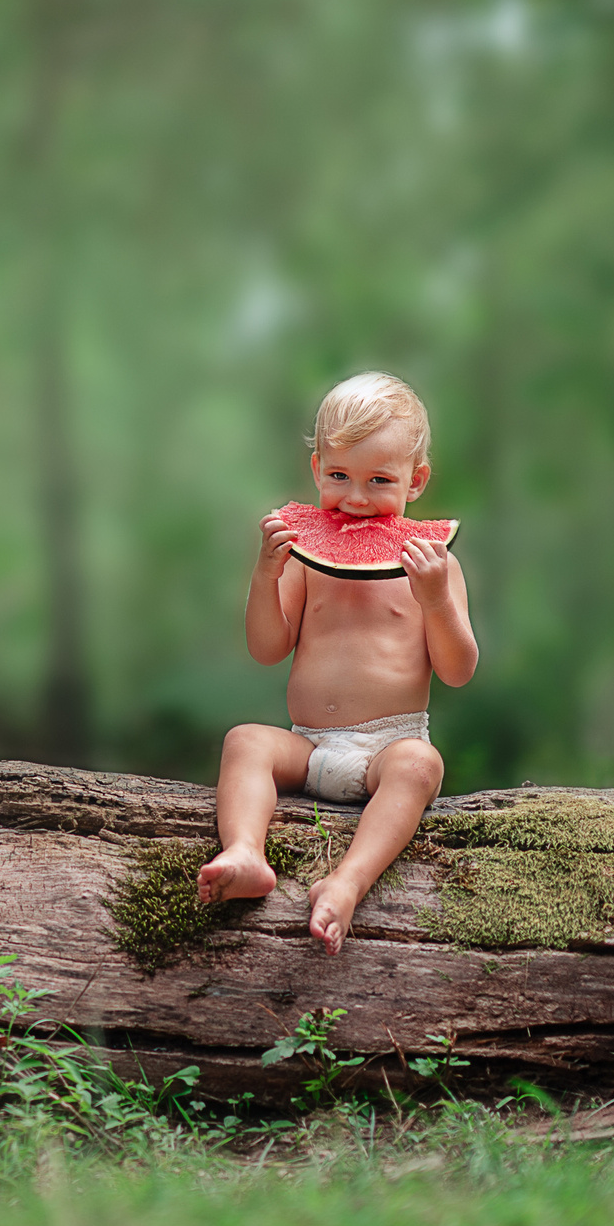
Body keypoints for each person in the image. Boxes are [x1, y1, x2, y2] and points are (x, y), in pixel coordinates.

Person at [195, 372, 478, 953]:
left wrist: (434, 600)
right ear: (317, 468)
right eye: (339, 476)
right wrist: (267, 573)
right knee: (245, 740)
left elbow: (457, 669)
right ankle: (245, 851)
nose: (355, 498)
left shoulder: (435, 567)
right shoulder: (304, 558)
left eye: (380, 480)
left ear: (417, 481)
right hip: (309, 747)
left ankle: (346, 882)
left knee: (421, 766)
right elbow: (268, 648)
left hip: (387, 746)